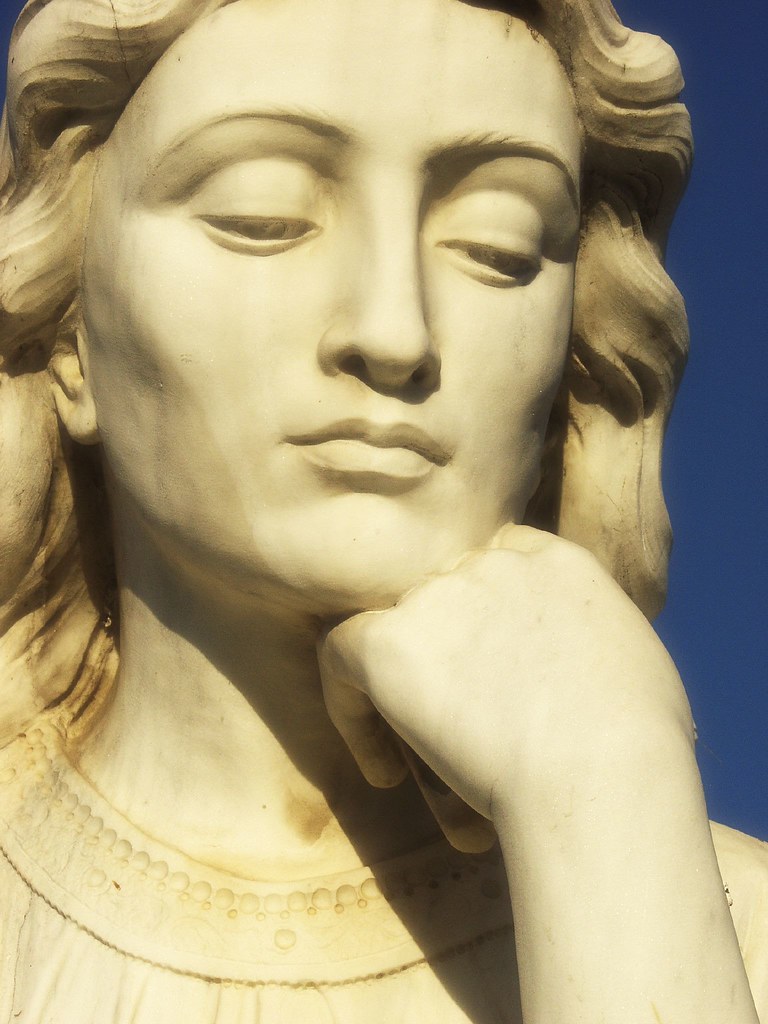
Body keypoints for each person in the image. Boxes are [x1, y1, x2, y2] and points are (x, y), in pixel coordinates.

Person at [0, 0, 765, 1020]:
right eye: (262, 216)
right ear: (69, 336)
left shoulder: (729, 929)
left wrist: (604, 798)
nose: (394, 330)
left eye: (497, 246)